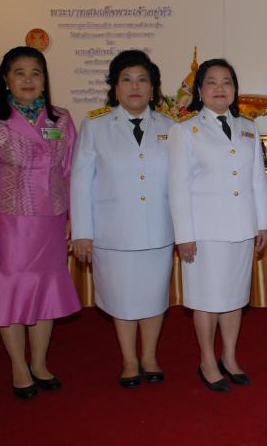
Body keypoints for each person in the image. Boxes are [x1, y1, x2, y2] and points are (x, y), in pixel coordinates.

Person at [0, 46, 80, 399]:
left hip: (51, 221)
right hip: (8, 224)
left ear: (45, 79)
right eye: (20, 72)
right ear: (6, 79)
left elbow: (71, 173)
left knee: (46, 290)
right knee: (12, 292)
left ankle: (40, 363)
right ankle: (19, 367)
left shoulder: (61, 119)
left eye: (36, 72)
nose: (29, 79)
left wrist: (74, 218)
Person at [71, 50, 175, 389]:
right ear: (115, 88)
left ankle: (150, 356)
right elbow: (80, 182)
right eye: (126, 80)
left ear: (153, 88)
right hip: (113, 231)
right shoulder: (95, 125)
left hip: (158, 228)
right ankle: (129, 359)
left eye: (143, 80)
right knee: (122, 297)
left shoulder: (171, 127)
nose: (135, 87)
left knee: (154, 295)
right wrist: (82, 233)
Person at [169, 58, 267, 392]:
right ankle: (207, 361)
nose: (220, 88)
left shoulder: (248, 128)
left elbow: (257, 181)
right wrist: (184, 235)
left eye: (226, 82)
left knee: (234, 297)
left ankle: (229, 356)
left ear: (235, 90)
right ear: (199, 91)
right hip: (204, 232)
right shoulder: (185, 131)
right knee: (206, 299)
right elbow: (178, 187)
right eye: (211, 82)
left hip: (241, 228)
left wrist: (261, 224)